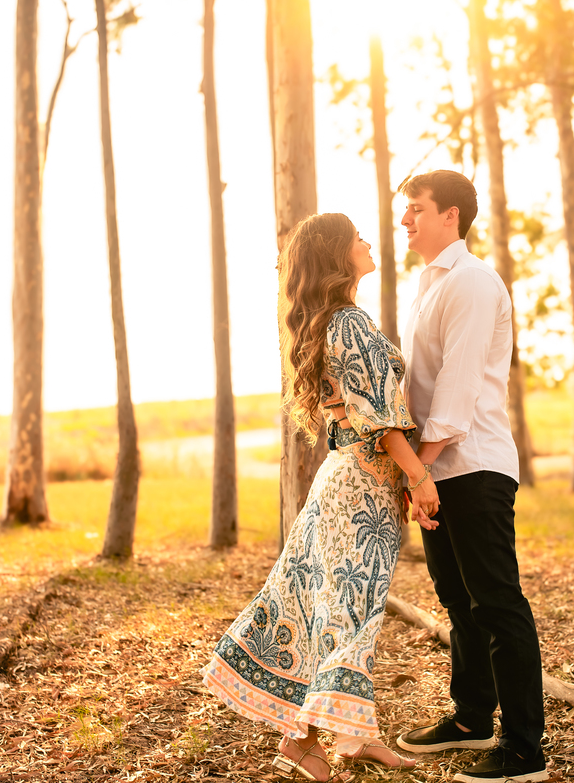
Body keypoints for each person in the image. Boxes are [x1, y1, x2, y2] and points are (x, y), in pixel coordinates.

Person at [202, 212, 440, 782]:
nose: (367, 241)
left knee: (325, 606)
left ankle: (328, 741)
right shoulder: (349, 323)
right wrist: (419, 478)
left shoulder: (328, 323)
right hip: (360, 488)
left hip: (344, 482)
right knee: (349, 610)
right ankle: (317, 741)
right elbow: (379, 420)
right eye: (356, 236)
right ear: (338, 255)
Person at [394, 170, 549, 783]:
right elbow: (417, 387)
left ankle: (522, 749)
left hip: (475, 465)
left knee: (496, 601)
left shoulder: (474, 283)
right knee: (458, 599)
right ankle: (471, 719)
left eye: (416, 209)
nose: (405, 220)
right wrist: (416, 471)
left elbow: (455, 394)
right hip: (438, 468)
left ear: (450, 215)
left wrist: (418, 472)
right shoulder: (427, 286)